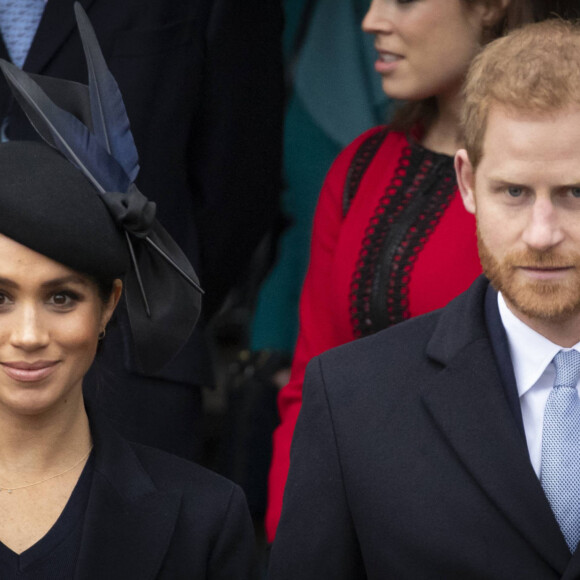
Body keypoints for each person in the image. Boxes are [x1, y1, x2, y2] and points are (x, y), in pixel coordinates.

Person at [268, 18, 580, 578]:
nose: (542, 232)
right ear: (466, 183)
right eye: (513, 192)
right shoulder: (352, 403)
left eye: (575, 193)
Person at [0, 6, 254, 578]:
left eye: (62, 297)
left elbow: (238, 183)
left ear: (110, 304)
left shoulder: (206, 518)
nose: (29, 335)